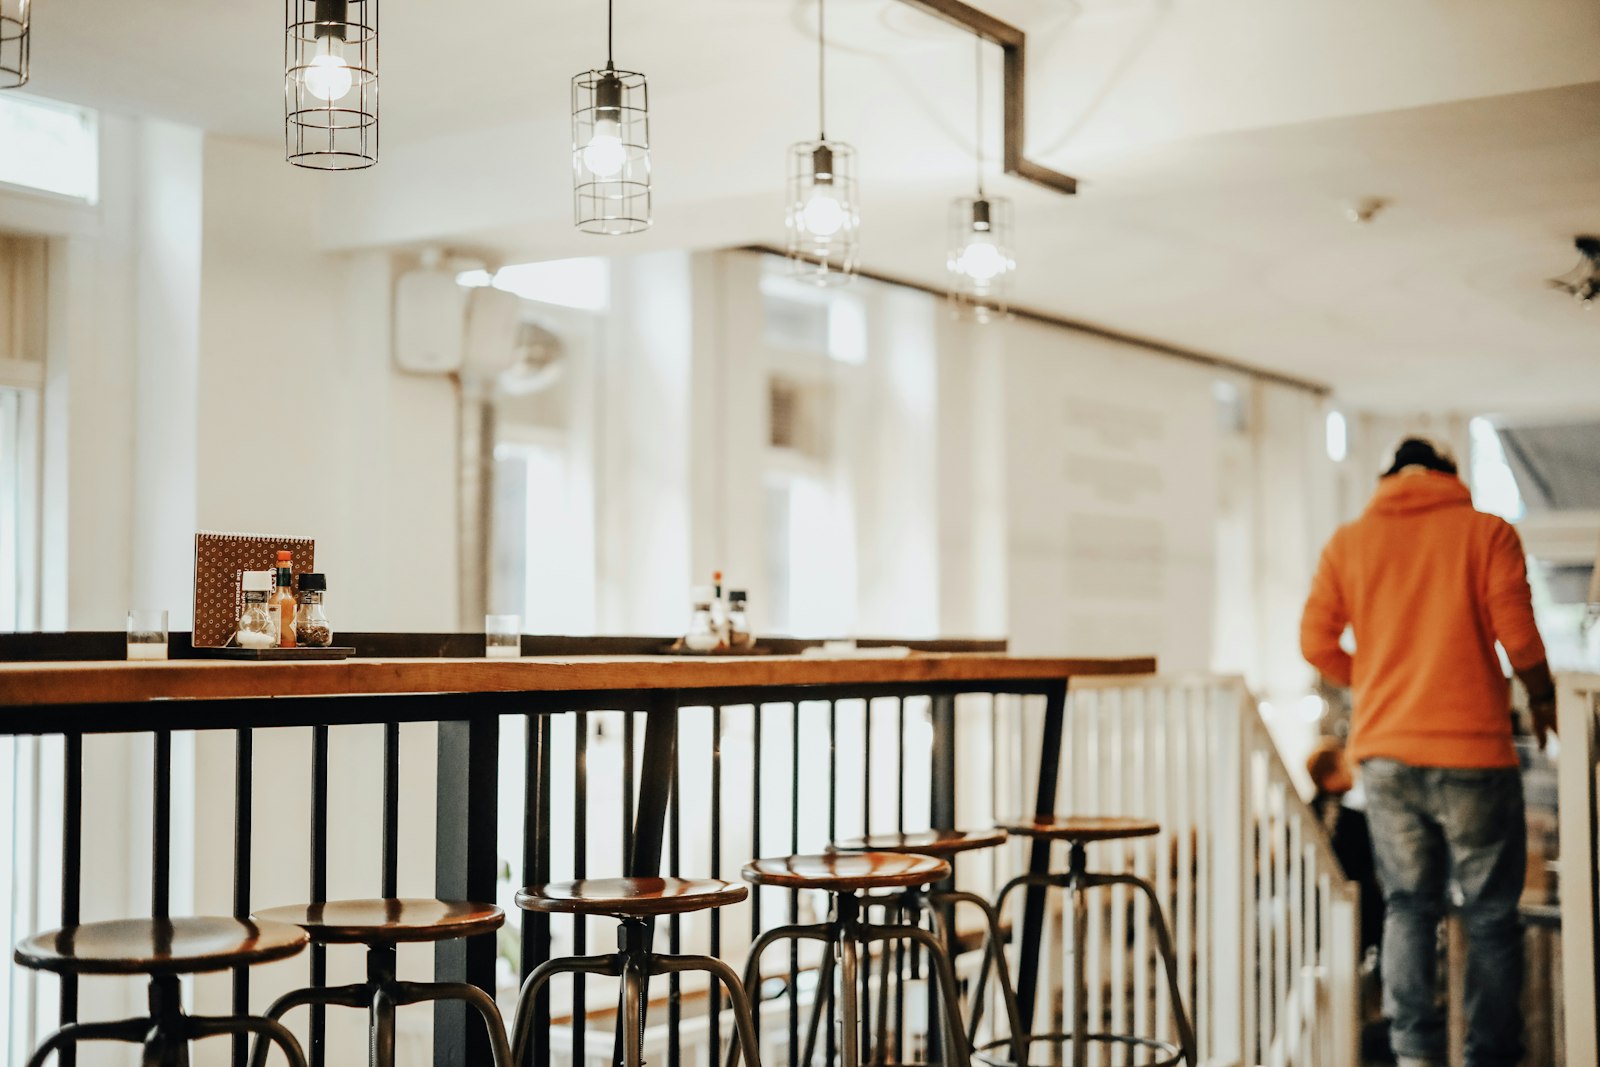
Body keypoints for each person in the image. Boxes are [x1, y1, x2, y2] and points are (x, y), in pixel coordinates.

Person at [1300, 436, 1556, 1067]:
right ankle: (1489, 1056)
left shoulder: (1349, 541)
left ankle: (1414, 1054)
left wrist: (1379, 677)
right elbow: (1518, 634)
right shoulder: (1487, 533)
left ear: (1388, 477)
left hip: (1386, 754)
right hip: (1474, 752)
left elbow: (1315, 641)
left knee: (1409, 905)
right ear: (1451, 475)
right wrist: (1542, 697)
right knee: (1492, 914)